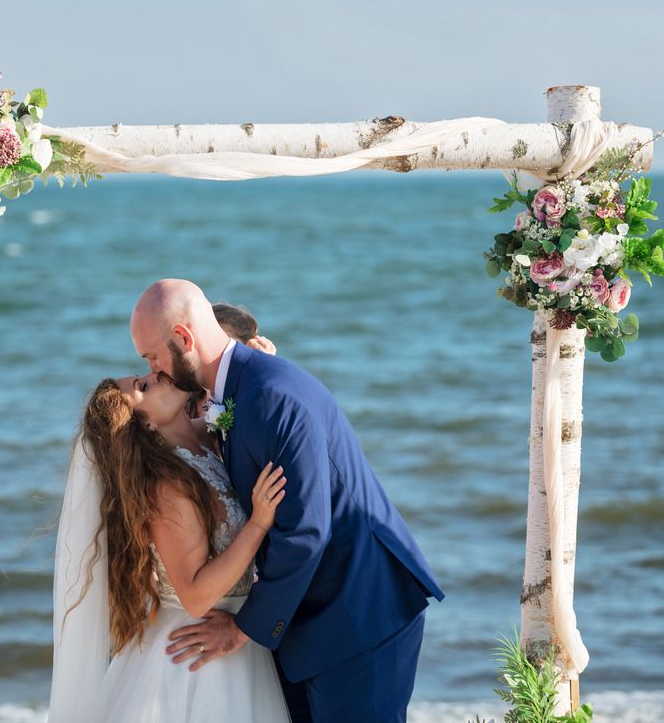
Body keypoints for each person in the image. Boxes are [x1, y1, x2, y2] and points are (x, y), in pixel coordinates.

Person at [130, 279, 444, 723]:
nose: (155, 370)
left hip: (358, 615)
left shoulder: (270, 396)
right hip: (309, 624)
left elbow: (305, 532)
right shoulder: (239, 389)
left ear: (183, 338)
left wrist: (240, 631)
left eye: (152, 357)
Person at [49, 370, 292, 722]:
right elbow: (194, 594)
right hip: (198, 655)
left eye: (145, 372)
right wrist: (257, 524)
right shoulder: (168, 487)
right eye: (144, 386)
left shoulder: (208, 439)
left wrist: (259, 363)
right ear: (144, 426)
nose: (156, 375)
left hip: (236, 638)